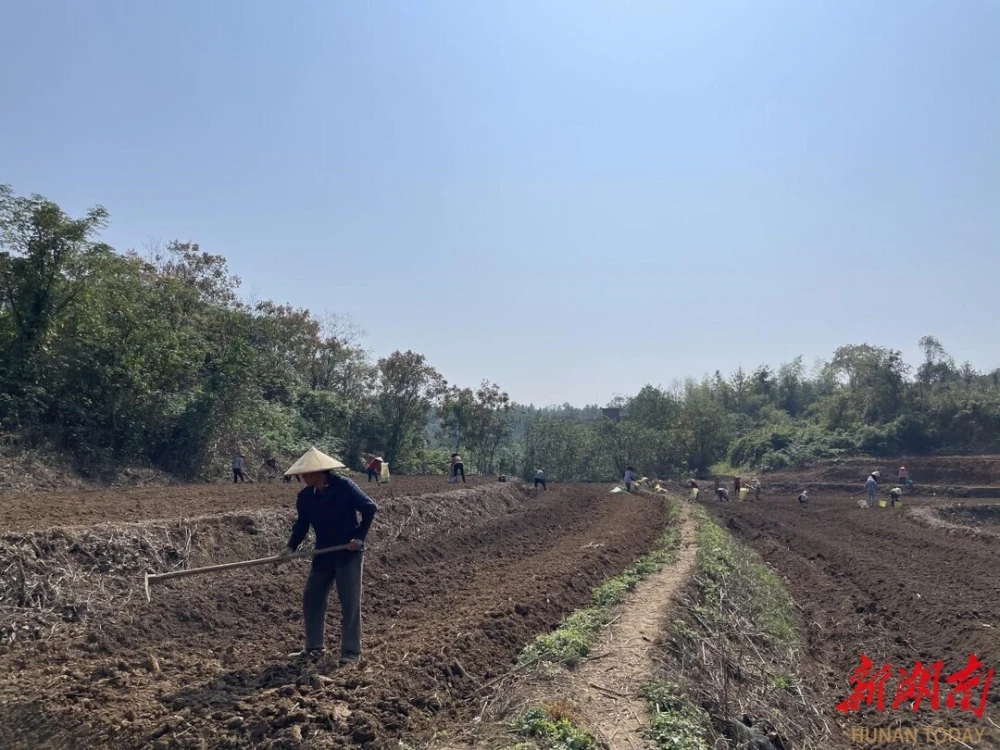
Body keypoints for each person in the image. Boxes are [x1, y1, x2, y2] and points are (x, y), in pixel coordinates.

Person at [278, 448, 378, 664]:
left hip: (347, 552)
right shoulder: (305, 497)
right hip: (323, 552)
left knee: (349, 602)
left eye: (306, 473)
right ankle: (314, 646)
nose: (303, 478)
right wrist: (290, 547)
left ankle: (351, 651)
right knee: (312, 597)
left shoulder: (344, 487)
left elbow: (369, 508)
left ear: (319, 472)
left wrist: (359, 537)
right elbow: (302, 524)